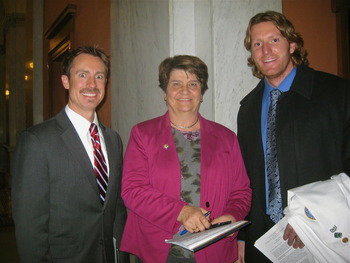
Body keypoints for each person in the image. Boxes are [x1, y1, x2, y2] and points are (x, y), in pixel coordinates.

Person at [237, 10, 350, 262]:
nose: (266, 50)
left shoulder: (338, 94)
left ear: (292, 45)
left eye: (274, 40)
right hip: (264, 241)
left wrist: (312, 216)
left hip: (322, 237)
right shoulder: (247, 109)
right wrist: (242, 237)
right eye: (257, 44)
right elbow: (245, 180)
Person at [120, 55, 252, 263]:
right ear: (165, 92)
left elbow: (241, 191)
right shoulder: (143, 134)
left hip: (214, 248)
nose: (185, 90)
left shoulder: (226, 138)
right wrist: (181, 211)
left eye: (193, 84)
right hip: (159, 249)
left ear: (201, 93)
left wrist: (232, 215)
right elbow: (133, 190)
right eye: (176, 84)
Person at [12, 46, 128, 263]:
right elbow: (29, 225)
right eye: (82, 75)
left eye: (99, 76)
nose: (92, 84)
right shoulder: (37, 140)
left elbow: (116, 208)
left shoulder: (113, 140)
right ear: (65, 81)